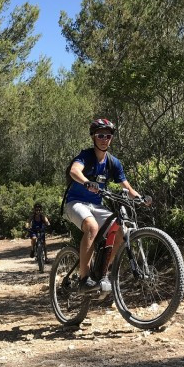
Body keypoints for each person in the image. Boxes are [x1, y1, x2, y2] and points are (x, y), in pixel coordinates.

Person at [63, 118, 145, 293]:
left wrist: (140, 198)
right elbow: (74, 171)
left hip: (96, 206)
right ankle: (83, 278)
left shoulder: (113, 163)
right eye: (100, 135)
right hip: (75, 202)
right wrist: (86, 182)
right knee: (91, 227)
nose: (104, 139)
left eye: (108, 136)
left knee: (121, 232)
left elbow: (126, 186)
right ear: (93, 136)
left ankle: (102, 271)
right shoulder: (86, 156)